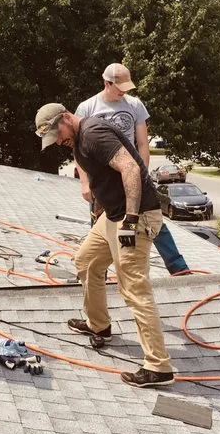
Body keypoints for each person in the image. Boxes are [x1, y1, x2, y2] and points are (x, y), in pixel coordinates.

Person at [36, 102, 174, 388]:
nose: (59, 141)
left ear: (66, 118)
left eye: (58, 134)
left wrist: (132, 220)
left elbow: (131, 170)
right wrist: (102, 207)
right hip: (112, 215)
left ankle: (158, 366)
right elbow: (103, 177)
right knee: (86, 261)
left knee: (134, 287)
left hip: (135, 216)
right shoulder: (78, 139)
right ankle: (99, 325)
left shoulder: (94, 133)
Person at [75, 63, 188, 275]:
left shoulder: (135, 105)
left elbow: (143, 144)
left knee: (151, 221)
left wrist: (143, 174)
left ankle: (178, 268)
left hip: (130, 173)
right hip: (103, 179)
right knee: (101, 223)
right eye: (120, 88)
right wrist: (84, 182)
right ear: (106, 83)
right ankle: (99, 272)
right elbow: (79, 149)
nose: (124, 92)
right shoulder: (87, 108)